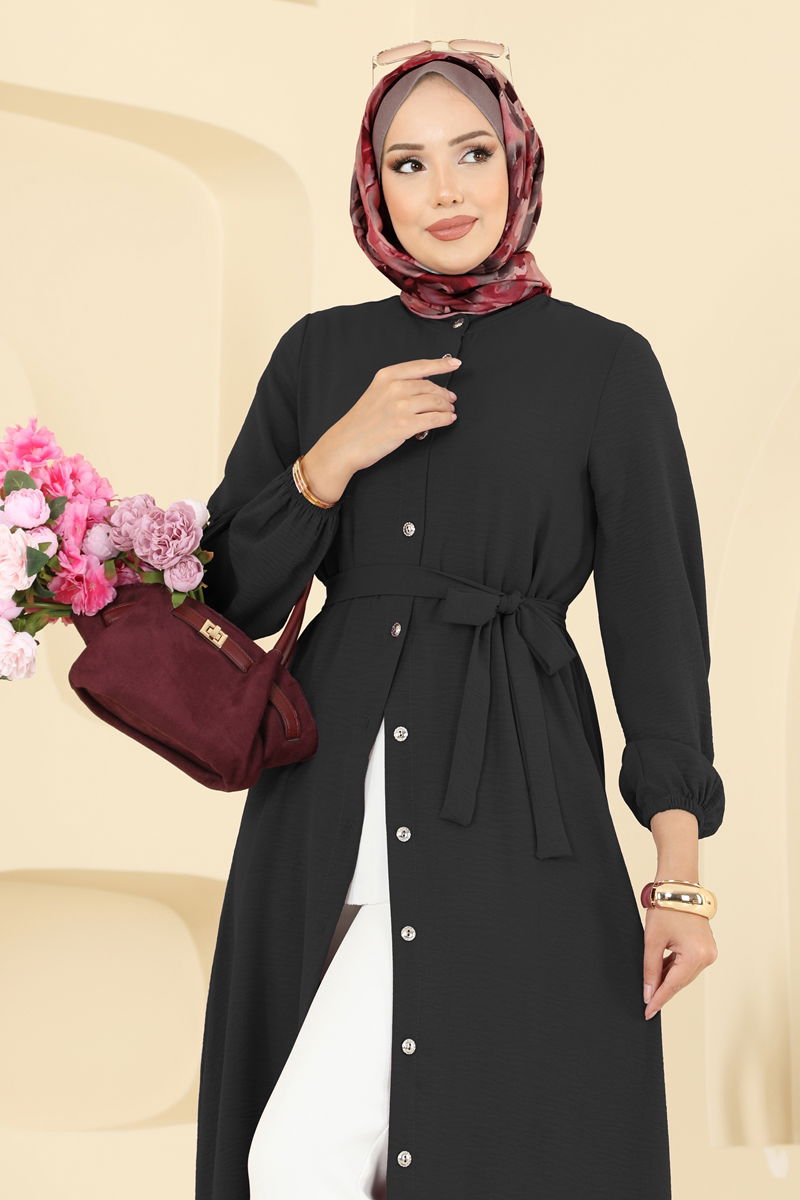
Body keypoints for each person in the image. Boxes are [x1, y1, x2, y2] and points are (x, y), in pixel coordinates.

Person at [195, 46, 725, 1200]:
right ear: (372, 187)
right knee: (295, 1158)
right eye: (408, 163)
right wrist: (332, 457)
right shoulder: (318, 355)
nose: (444, 190)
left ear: (516, 162)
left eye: (471, 153)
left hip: (511, 802)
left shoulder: (603, 365)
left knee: (470, 1150)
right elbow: (229, 597)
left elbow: (657, 628)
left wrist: (676, 873)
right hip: (319, 802)